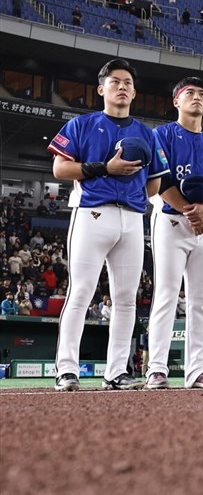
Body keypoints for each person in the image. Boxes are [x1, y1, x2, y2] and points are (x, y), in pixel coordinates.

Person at [48, 59, 167, 391]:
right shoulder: (81, 124)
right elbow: (59, 169)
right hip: (92, 212)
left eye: (128, 82)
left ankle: (116, 372)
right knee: (81, 292)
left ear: (134, 92)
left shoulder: (146, 133)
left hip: (132, 218)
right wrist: (106, 169)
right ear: (101, 89)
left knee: (127, 299)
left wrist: (131, 187)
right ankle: (66, 370)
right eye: (116, 81)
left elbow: (155, 183)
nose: (123, 87)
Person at [146, 77, 203, 390]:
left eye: (201, 94)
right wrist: (192, 212)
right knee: (166, 294)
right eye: (189, 93)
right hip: (171, 221)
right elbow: (162, 181)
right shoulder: (162, 134)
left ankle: (197, 370)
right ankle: (156, 369)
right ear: (176, 101)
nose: (197, 97)